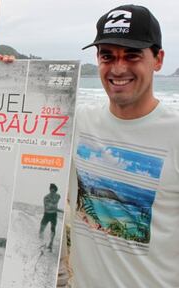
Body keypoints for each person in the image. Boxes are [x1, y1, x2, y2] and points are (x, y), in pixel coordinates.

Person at [67, 5, 179, 287]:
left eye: (132, 56)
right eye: (108, 56)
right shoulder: (76, 124)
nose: (118, 68)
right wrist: (11, 76)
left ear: (158, 59)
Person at [39, 183, 62, 251]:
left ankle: (51, 244)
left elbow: (55, 204)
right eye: (51, 191)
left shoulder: (58, 196)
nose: (52, 193)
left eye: (54, 191)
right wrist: (58, 209)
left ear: (56, 191)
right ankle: (41, 242)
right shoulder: (46, 197)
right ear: (49, 190)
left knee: (53, 229)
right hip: (47, 214)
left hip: (53, 215)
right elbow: (48, 207)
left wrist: (55, 208)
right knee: (41, 229)